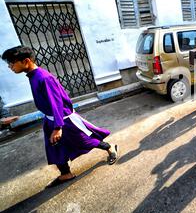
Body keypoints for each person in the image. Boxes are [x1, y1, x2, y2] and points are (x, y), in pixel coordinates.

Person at [2, 46, 119, 188]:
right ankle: (65, 173)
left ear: (26, 61)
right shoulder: (33, 76)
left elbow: (56, 102)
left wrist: (58, 127)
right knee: (54, 147)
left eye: (12, 63)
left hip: (63, 120)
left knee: (84, 140)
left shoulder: (43, 78)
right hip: (51, 119)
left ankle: (109, 147)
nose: (10, 67)